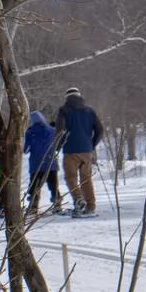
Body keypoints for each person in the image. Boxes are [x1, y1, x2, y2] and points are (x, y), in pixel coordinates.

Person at [54, 88, 103, 216]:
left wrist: (57, 147)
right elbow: (100, 130)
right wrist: (91, 144)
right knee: (86, 179)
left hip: (70, 150)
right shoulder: (89, 111)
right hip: (87, 150)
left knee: (71, 177)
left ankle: (78, 199)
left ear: (67, 97)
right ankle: (90, 206)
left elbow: (60, 130)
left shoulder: (64, 110)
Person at [25, 110, 64, 214]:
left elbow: (25, 149)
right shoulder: (52, 130)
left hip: (36, 164)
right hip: (51, 163)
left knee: (34, 186)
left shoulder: (30, 132)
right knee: (53, 185)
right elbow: (58, 144)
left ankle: (33, 205)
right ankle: (57, 204)